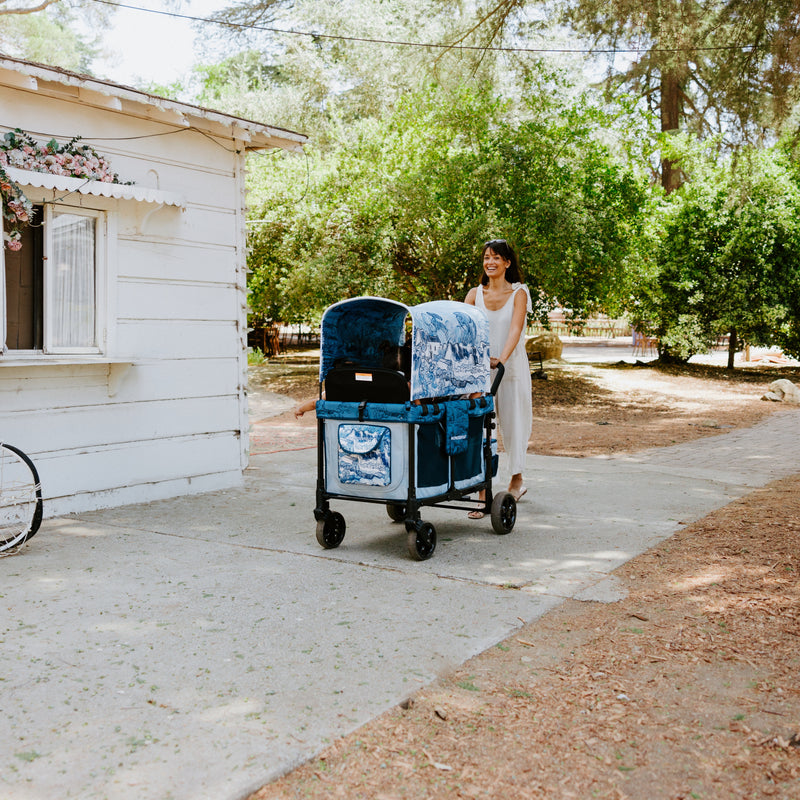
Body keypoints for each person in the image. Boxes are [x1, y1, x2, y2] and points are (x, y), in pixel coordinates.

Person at [465, 238, 532, 517]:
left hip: (510, 367)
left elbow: (515, 330)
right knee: (480, 429)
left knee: (514, 424)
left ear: (507, 263)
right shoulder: (474, 294)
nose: (489, 262)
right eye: (486, 257)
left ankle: (517, 479)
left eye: (496, 258)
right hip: (477, 371)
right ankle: (483, 490)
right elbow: (462, 331)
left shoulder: (519, 293)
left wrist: (500, 360)